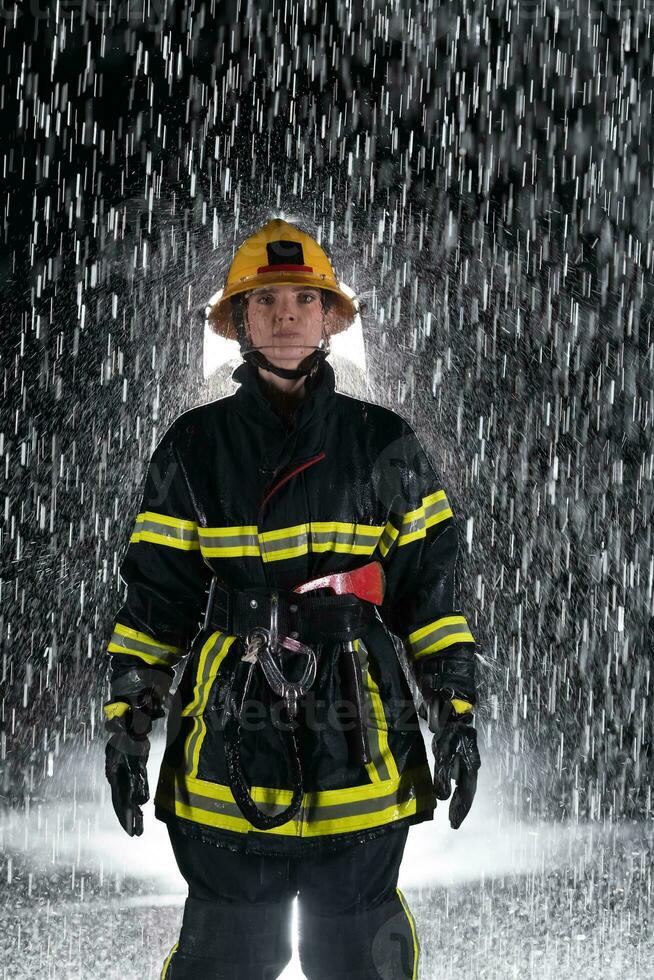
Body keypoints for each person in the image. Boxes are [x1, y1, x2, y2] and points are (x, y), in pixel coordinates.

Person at [103, 218, 481, 980]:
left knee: (360, 952)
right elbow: (156, 606)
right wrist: (127, 725)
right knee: (229, 952)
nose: (285, 313)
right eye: (266, 299)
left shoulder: (383, 443)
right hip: (229, 731)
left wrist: (456, 716)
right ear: (239, 321)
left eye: (303, 299)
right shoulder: (193, 448)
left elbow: (431, 599)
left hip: (360, 728)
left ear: (330, 319)